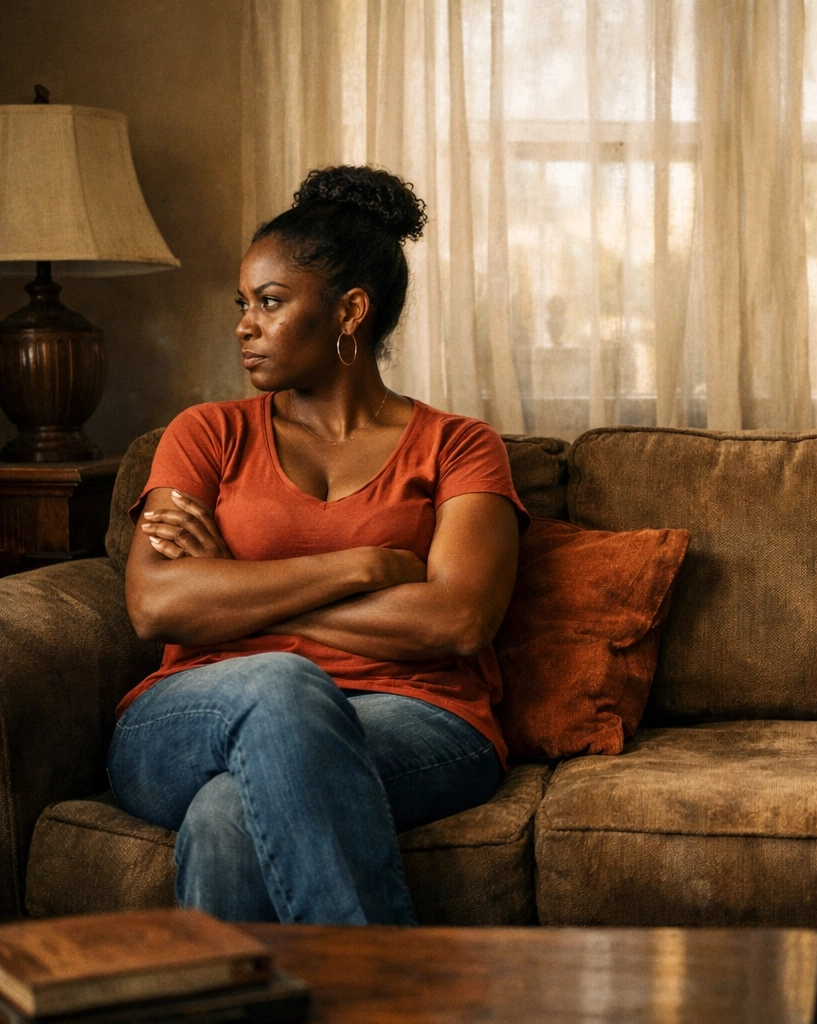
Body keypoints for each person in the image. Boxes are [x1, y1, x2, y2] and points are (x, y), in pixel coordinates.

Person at [113, 166, 527, 925]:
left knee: (227, 815)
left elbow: (458, 622)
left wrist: (234, 587)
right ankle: (383, 1003)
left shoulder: (460, 447)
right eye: (243, 304)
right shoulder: (205, 434)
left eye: (269, 302)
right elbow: (153, 604)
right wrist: (358, 569)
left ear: (350, 312)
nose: (244, 324)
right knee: (281, 685)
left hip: (419, 719)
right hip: (186, 717)